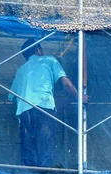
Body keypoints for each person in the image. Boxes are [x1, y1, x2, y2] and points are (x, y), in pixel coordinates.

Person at [8, 38, 86, 167]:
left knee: (28, 146)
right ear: (38, 49)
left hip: (24, 111)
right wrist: (79, 97)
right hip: (44, 107)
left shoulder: (21, 70)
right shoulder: (49, 60)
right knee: (44, 143)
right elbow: (66, 84)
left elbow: (12, 97)